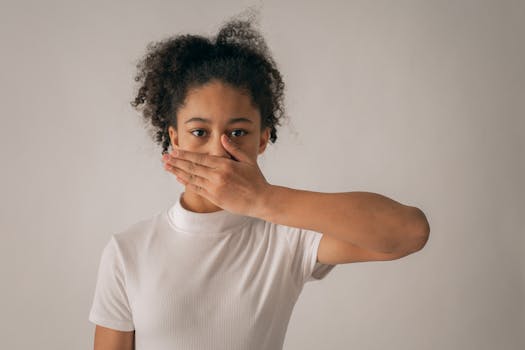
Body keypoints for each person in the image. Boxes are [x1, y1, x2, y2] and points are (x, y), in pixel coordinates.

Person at [88, 12, 429, 350]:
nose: (218, 151)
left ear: (262, 140)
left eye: (237, 132)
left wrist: (262, 199)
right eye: (199, 132)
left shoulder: (286, 237)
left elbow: (410, 232)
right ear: (174, 138)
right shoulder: (127, 252)